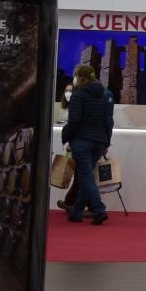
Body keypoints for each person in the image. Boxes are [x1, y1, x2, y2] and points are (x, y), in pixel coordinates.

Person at [60, 64, 113, 225]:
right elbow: (108, 121)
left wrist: (65, 135)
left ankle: (99, 209)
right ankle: (77, 212)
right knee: (85, 176)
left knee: (87, 176)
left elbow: (74, 120)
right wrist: (106, 142)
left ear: (79, 77)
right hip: (98, 141)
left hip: (81, 141)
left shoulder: (78, 94)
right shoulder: (104, 95)